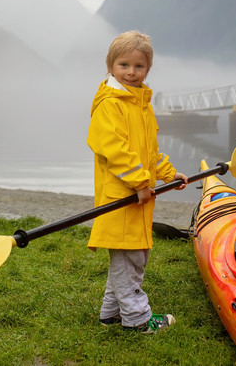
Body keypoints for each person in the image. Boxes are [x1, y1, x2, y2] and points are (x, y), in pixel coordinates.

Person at [86, 30, 188, 334]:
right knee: (129, 261)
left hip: (138, 197)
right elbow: (114, 149)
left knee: (129, 257)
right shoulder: (110, 103)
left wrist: (168, 174)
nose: (131, 72)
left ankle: (110, 314)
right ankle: (138, 319)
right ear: (110, 66)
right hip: (121, 197)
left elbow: (148, 151)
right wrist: (141, 182)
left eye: (138, 66)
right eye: (123, 65)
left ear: (148, 69)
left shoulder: (140, 104)